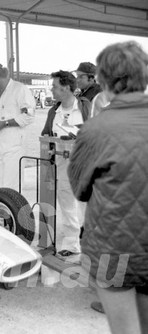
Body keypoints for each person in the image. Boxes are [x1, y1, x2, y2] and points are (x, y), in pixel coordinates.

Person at [68, 41, 148, 334]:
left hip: (115, 249)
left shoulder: (95, 130)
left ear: (103, 79)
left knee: (126, 330)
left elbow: (80, 188)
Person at [40, 70, 91, 261]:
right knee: (67, 205)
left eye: (54, 86)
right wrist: (50, 139)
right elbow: (45, 134)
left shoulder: (85, 107)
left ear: (67, 88)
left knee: (87, 206)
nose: (51, 90)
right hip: (61, 165)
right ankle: (72, 244)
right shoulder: (54, 111)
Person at [0, 62, 35, 191]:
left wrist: (5, 123)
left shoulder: (19, 89)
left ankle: (14, 211)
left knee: (12, 188)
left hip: (13, 147)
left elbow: (29, 116)